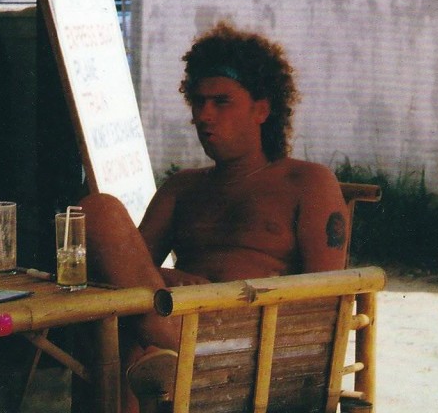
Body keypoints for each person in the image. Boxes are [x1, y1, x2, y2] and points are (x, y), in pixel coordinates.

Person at [83, 21, 350, 411]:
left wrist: (224, 301)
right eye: (198, 101)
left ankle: (165, 363)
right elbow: (127, 270)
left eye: (221, 102)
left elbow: (327, 302)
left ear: (262, 109)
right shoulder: (182, 188)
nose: (204, 116)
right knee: (98, 211)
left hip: (258, 349)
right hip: (179, 328)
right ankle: (164, 359)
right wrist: (171, 278)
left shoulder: (306, 181)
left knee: (131, 337)